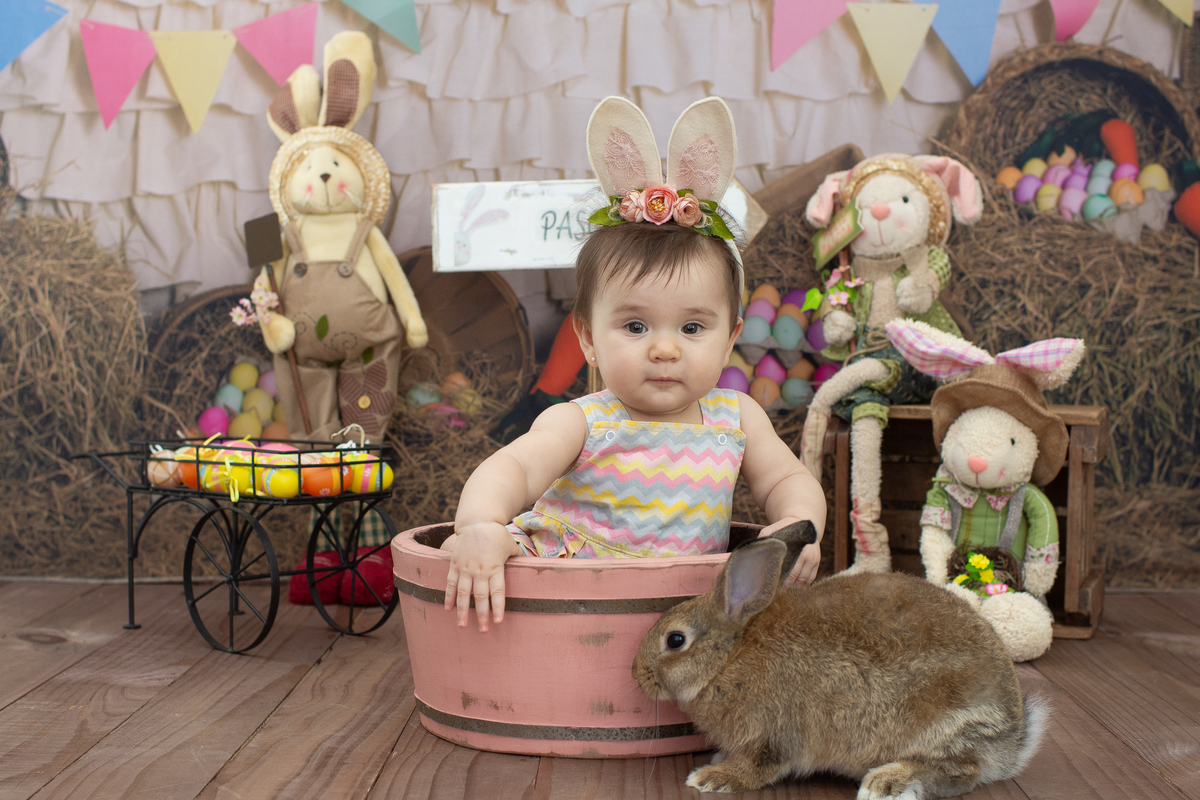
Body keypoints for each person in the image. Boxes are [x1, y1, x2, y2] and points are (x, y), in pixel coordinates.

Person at [441, 95, 826, 631]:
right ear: (588, 338)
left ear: (731, 337)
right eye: (635, 326)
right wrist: (481, 523)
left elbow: (787, 478)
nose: (664, 349)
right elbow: (514, 467)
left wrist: (797, 521)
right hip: (562, 607)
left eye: (692, 328)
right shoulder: (582, 421)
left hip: (672, 619)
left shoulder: (736, 418)